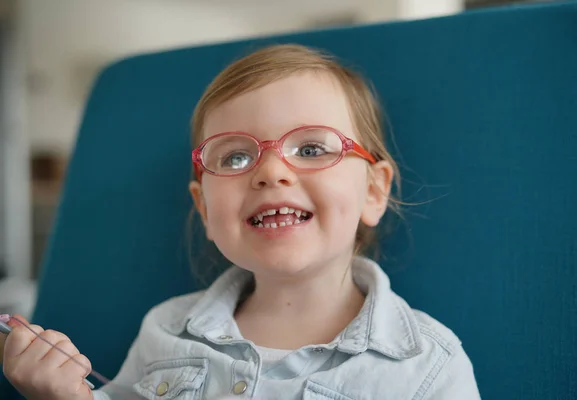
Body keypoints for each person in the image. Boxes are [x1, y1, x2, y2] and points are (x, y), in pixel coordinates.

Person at [0, 44, 480, 399]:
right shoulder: (165, 331)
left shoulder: (427, 367)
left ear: (374, 192)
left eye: (311, 149)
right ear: (206, 210)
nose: (271, 172)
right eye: (232, 158)